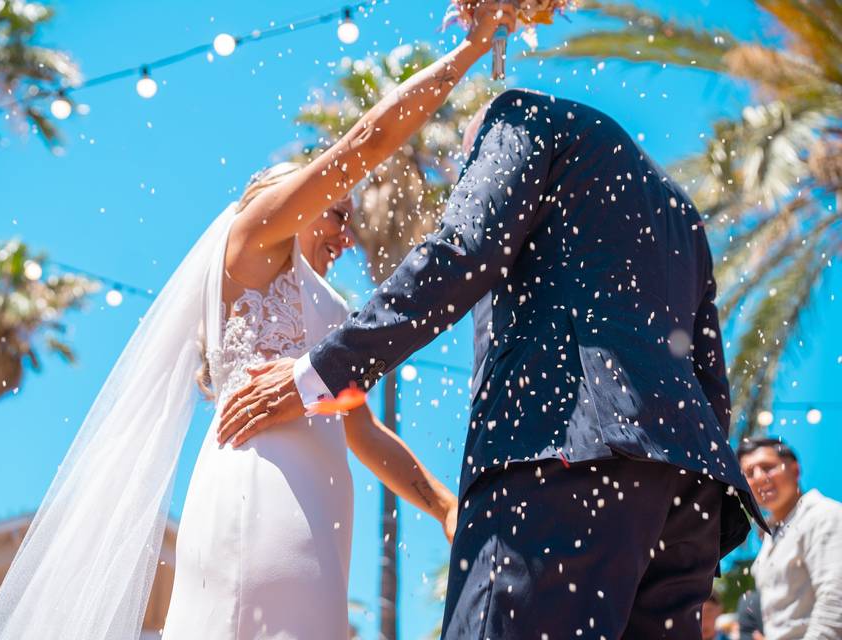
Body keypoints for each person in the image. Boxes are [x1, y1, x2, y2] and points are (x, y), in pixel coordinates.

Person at [0, 3, 517, 639]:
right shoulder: (253, 239)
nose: (346, 232)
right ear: (284, 198)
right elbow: (367, 142)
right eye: (336, 212)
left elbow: (362, 430)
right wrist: (472, 50)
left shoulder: (330, 313)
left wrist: (444, 506)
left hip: (321, 510)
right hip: (261, 491)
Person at [222, 86, 768, 637]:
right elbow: (705, 369)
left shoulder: (517, 117)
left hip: (560, 457)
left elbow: (464, 246)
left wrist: (321, 373)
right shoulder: (676, 205)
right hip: (686, 490)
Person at [738, 437, 842, 639]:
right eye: (749, 473)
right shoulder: (772, 536)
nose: (759, 478)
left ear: (795, 470)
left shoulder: (824, 516)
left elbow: (836, 600)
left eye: (767, 467)